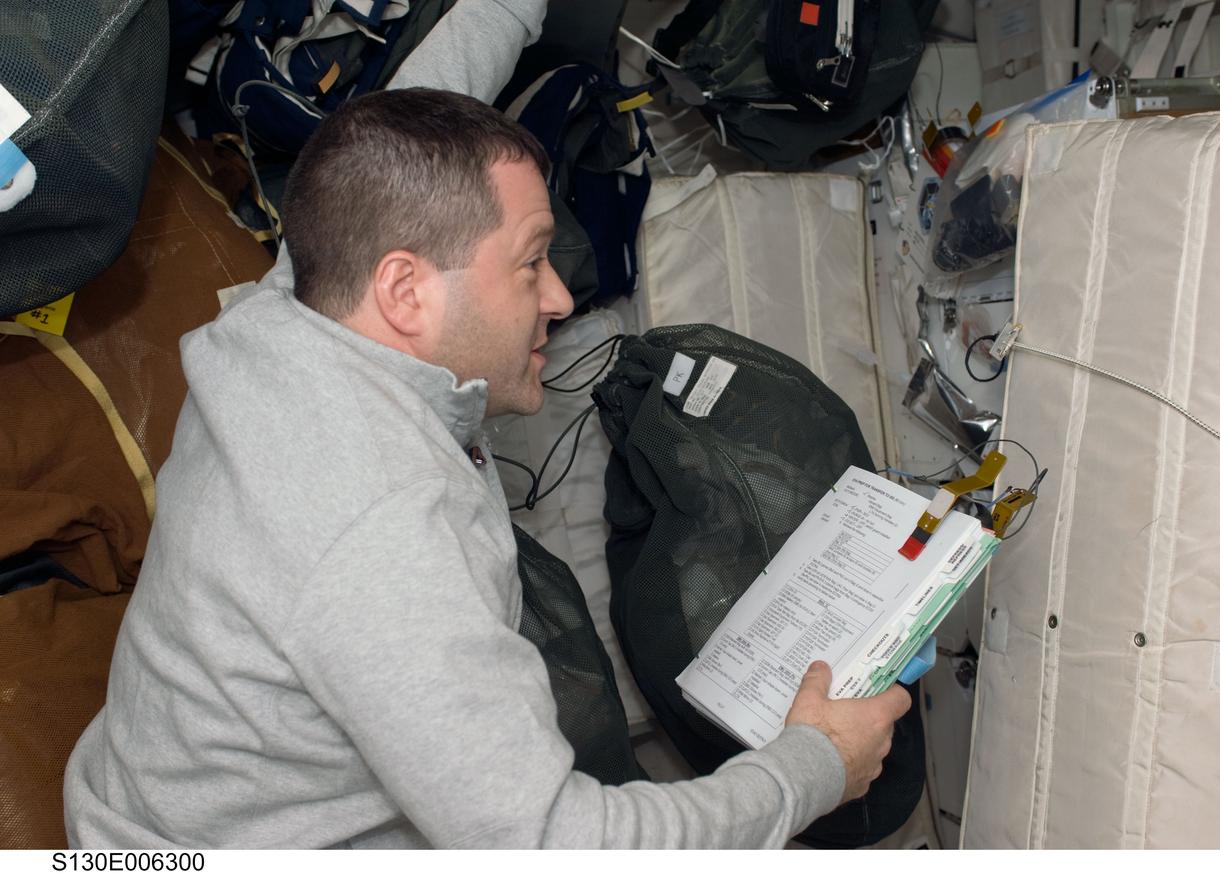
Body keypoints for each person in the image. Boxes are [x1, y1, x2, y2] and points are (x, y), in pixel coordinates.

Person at [63, 6, 912, 851]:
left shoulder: (294, 312)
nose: (560, 297)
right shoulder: (385, 532)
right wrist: (814, 767)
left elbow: (401, 138)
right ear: (406, 292)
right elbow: (552, 846)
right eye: (532, 261)